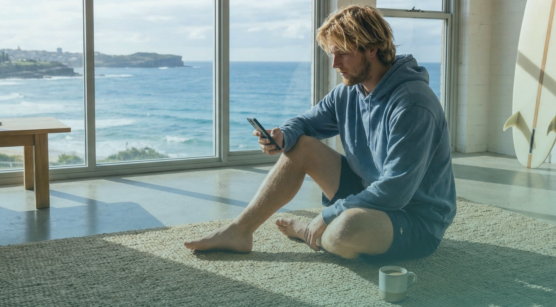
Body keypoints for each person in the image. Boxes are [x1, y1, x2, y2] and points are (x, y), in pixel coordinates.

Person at [184, 5, 456, 262]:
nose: (335, 63)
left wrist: (329, 214)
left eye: (343, 54)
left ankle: (307, 232)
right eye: (331, 53)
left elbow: (395, 192)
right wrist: (284, 136)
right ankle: (239, 231)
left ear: (372, 49)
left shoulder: (413, 104)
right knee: (301, 146)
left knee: (346, 228)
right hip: (368, 192)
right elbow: (305, 123)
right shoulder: (349, 92)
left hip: (414, 218)